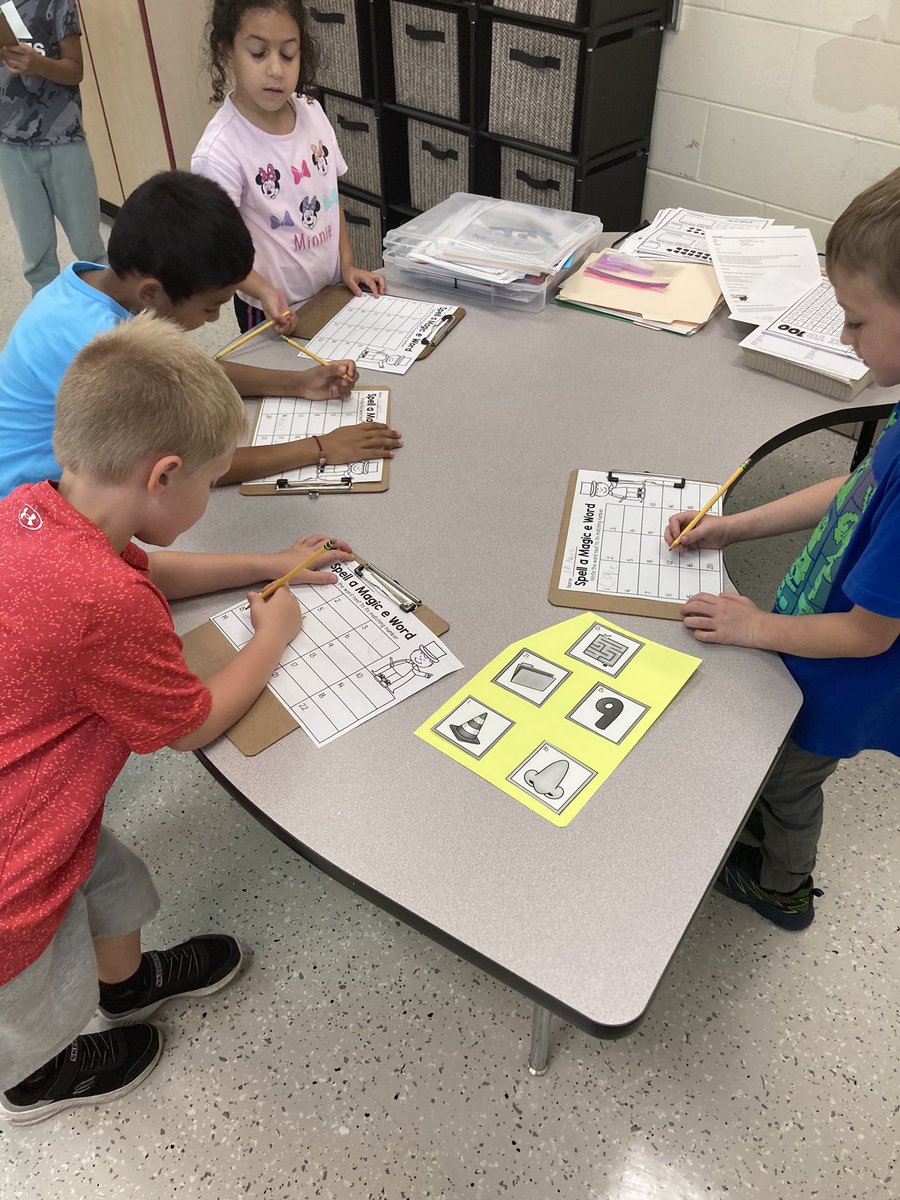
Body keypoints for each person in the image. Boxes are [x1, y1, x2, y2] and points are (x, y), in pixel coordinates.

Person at [0, 313, 355, 1124]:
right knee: (29, 996)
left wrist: (270, 563)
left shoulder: (41, 507)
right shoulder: (105, 605)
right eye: (209, 480)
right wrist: (273, 633)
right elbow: (193, 722)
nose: (207, 496)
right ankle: (37, 1080)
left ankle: (124, 991)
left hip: (46, 807)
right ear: (164, 477)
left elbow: (148, 565)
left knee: (113, 883)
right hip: (11, 870)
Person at [665, 169, 900, 931]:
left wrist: (754, 626)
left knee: (791, 784)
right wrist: (735, 526)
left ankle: (783, 886)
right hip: (813, 643)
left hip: (835, 682)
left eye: (856, 322)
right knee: (775, 769)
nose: (843, 338)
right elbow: (853, 490)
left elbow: (869, 632)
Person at [0, 169, 401, 498]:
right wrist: (320, 448)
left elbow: (190, 371)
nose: (212, 321)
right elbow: (191, 466)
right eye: (210, 307)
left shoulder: (94, 282)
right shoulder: (102, 346)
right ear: (152, 292)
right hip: (29, 511)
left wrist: (298, 383)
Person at [192, 0, 385, 335]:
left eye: (288, 54)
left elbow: (328, 198)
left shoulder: (311, 112)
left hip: (328, 292)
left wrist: (347, 265)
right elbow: (217, 249)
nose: (276, 70)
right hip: (270, 310)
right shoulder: (219, 150)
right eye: (257, 53)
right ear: (226, 52)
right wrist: (264, 290)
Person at [0, 0, 106, 294]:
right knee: (37, 257)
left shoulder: (58, 2)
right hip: (10, 147)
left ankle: (114, 327)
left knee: (90, 249)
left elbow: (75, 71)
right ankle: (50, 326)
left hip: (63, 139)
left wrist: (38, 64)